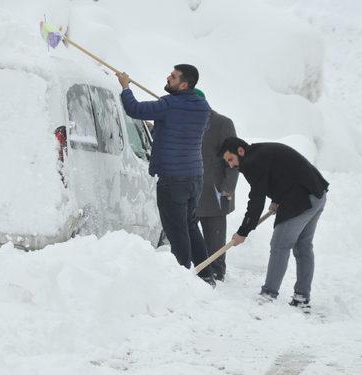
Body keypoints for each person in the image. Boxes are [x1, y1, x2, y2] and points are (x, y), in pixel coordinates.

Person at [115, 65, 215, 285]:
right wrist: (161, 124)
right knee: (189, 224)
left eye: (173, 76)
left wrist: (125, 86)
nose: (168, 77)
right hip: (194, 176)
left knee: (175, 229)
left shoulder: (169, 105)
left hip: (173, 178)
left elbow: (135, 110)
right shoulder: (203, 108)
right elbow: (185, 128)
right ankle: (206, 274)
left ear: (184, 85)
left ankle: (181, 279)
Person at [219, 137, 329, 309]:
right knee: (303, 246)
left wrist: (243, 231)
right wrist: (277, 199)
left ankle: (268, 294)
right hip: (317, 193)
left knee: (279, 245)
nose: (231, 165)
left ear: (240, 151)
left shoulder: (252, 162)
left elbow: (256, 200)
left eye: (231, 159)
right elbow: (283, 172)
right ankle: (301, 296)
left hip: (302, 200)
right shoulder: (260, 151)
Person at [193, 89, 239, 282]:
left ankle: (217, 274)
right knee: (186, 238)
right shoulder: (186, 122)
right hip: (189, 191)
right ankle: (190, 270)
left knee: (215, 240)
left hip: (215, 194)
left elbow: (233, 161)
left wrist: (228, 188)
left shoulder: (223, 124)